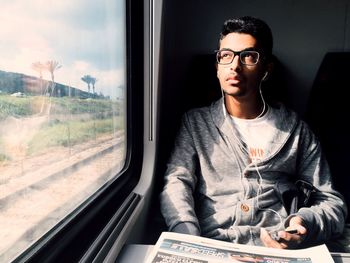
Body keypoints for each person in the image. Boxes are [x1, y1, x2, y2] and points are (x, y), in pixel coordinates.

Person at [160, 16, 347, 249]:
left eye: (248, 56)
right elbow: (177, 183)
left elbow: (331, 202)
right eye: (225, 56)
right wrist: (186, 234)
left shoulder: (297, 131)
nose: (234, 66)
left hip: (276, 246)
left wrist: (303, 225)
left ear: (266, 69)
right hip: (212, 243)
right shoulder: (195, 123)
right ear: (217, 66)